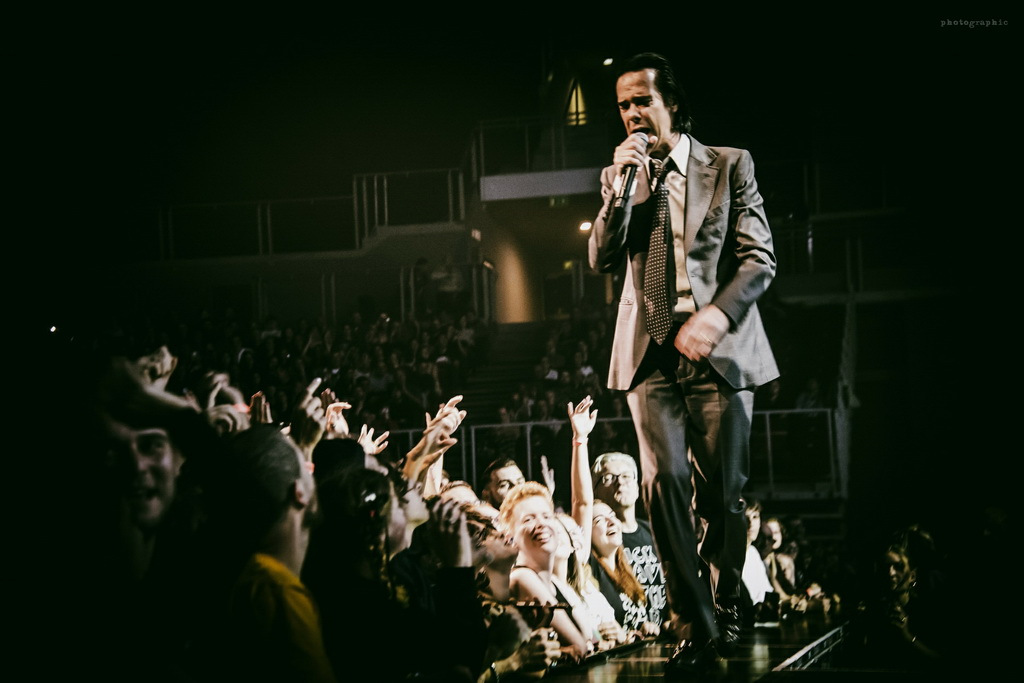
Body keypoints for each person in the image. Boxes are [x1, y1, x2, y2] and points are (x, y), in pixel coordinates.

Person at [587, 51, 779, 673]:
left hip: (717, 348)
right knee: (662, 485)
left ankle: (725, 597)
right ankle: (692, 619)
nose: (632, 113)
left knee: (723, 492)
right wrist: (621, 191)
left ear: (672, 103)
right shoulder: (620, 176)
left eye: (642, 100)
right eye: (623, 104)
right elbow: (601, 258)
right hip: (649, 354)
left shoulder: (730, 165)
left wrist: (718, 315)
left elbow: (759, 258)